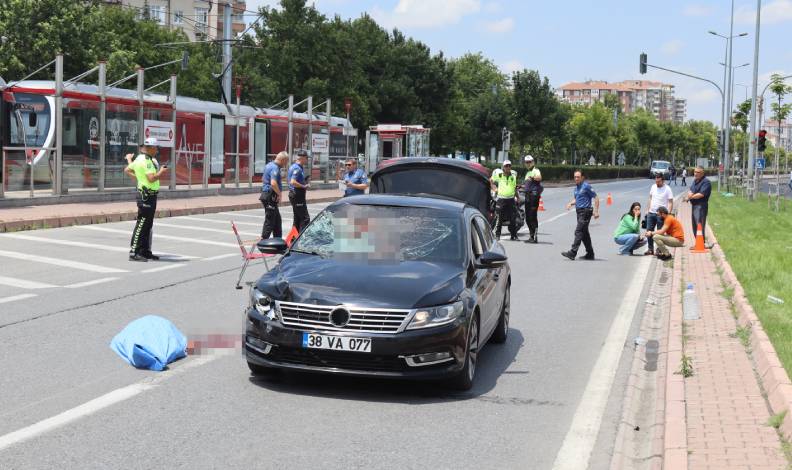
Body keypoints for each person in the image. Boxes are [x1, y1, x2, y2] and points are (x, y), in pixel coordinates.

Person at [125, 137, 168, 262]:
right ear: (151, 148)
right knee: (142, 224)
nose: (157, 151)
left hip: (149, 195)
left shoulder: (140, 158)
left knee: (147, 225)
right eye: (156, 148)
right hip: (146, 196)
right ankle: (134, 252)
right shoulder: (147, 162)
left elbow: (127, 169)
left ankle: (144, 251)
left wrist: (139, 178)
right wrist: (161, 171)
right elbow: (151, 178)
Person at [561, 170, 600, 260]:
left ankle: (573, 252)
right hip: (579, 212)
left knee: (578, 231)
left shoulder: (586, 186)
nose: (576, 178)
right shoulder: (576, 188)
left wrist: (596, 211)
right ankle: (590, 254)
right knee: (584, 234)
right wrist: (570, 203)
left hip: (585, 212)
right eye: (575, 177)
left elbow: (596, 197)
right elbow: (577, 199)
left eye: (578, 177)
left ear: (582, 177)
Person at [260, 151, 289, 239]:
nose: (285, 164)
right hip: (270, 196)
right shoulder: (275, 168)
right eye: (286, 162)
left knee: (277, 221)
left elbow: (264, 178)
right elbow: (273, 183)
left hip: (267, 194)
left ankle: (278, 240)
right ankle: (263, 241)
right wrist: (279, 194)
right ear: (282, 160)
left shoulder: (268, 165)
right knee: (270, 220)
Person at [644, 173, 673, 256]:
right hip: (651, 213)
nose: (657, 183)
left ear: (663, 181)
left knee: (659, 233)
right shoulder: (653, 187)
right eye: (656, 181)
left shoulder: (667, 189)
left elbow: (670, 202)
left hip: (661, 215)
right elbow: (650, 198)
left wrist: (668, 214)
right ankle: (650, 249)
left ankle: (659, 249)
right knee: (649, 231)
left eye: (659, 181)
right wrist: (647, 210)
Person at [490, 160, 519, 240]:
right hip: (501, 200)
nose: (508, 167)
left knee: (513, 218)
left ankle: (513, 235)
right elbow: (491, 181)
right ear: (503, 167)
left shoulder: (513, 176)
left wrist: (518, 197)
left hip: (511, 199)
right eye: (506, 166)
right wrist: (494, 188)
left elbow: (514, 187)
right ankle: (497, 235)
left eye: (509, 166)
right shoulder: (499, 175)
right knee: (499, 218)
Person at [683, 166, 711, 248]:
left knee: (699, 224)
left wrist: (689, 197)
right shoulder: (695, 181)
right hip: (694, 205)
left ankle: (701, 244)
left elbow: (701, 194)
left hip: (701, 206)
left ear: (702, 173)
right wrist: (689, 194)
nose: (695, 174)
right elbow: (691, 190)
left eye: (698, 172)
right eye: (695, 172)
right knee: (694, 225)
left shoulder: (706, 182)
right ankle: (698, 243)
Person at [288, 149, 311, 233]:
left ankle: (293, 239)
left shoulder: (294, 166)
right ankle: (301, 239)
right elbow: (293, 182)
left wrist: (304, 181)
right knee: (305, 219)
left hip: (295, 194)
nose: (307, 160)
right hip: (297, 195)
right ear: (302, 158)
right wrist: (304, 186)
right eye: (306, 158)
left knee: (297, 219)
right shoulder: (297, 168)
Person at [522, 155, 543, 243]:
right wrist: (521, 187)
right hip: (527, 196)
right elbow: (527, 185)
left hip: (533, 196)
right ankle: (531, 236)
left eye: (529, 162)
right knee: (527, 217)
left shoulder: (536, 170)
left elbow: (539, 178)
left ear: (533, 162)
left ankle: (534, 237)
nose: (528, 164)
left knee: (532, 216)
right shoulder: (527, 173)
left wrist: (533, 177)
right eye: (526, 162)